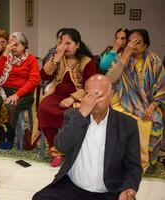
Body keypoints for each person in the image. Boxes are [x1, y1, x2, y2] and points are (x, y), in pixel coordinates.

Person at [33, 74, 142, 200]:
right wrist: (82, 114)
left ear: (111, 95)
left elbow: (133, 165)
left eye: (99, 96)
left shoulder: (127, 124)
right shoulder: (73, 115)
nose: (93, 101)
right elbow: (61, 146)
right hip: (71, 187)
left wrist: (129, 189)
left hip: (109, 190)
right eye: (89, 95)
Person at [33, 28, 98, 167]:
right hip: (56, 94)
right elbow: (44, 75)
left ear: (77, 44)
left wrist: (73, 98)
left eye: (68, 43)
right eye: (62, 43)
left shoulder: (87, 62)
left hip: (78, 98)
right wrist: (56, 57)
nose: (65, 47)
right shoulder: (59, 58)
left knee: (72, 114)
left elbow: (90, 87)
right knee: (44, 109)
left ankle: (70, 149)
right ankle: (55, 151)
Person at [106, 29, 165, 173]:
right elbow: (110, 80)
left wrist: (152, 107)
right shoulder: (121, 57)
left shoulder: (154, 61)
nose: (133, 44)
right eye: (130, 41)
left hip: (147, 104)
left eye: (137, 42)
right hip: (122, 100)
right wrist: (125, 55)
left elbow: (162, 86)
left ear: (145, 46)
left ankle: (139, 164)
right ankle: (116, 160)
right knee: (116, 120)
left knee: (144, 124)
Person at [0, 32, 40, 150]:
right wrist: (4, 54)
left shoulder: (31, 60)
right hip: (3, 91)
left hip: (24, 94)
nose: (13, 47)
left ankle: (10, 136)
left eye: (16, 45)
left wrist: (17, 95)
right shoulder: (7, 57)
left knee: (10, 106)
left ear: (24, 46)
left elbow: (34, 80)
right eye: (11, 44)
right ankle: (0, 133)